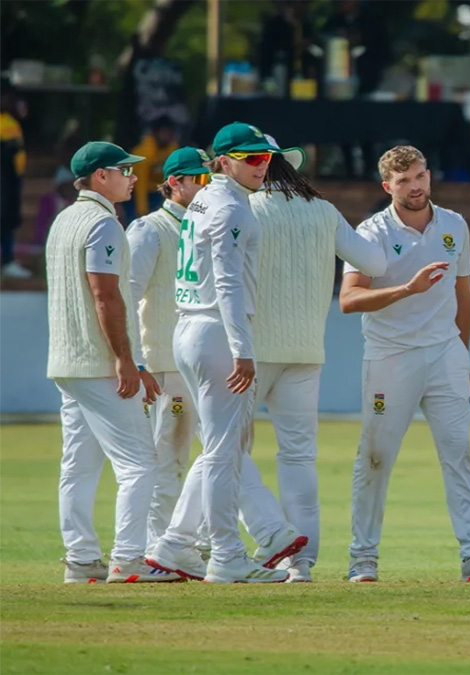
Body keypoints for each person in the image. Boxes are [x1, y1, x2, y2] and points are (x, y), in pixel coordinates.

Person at [340, 145, 470, 583]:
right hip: (390, 355)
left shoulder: (454, 224)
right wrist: (406, 290)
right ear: (388, 187)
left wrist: (462, 355)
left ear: (429, 175)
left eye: (420, 176)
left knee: (459, 454)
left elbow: (463, 294)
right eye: (404, 181)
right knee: (375, 457)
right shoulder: (371, 232)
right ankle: (363, 558)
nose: (415, 187)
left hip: (445, 354)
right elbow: (349, 299)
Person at [148, 122, 306, 584]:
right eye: (251, 158)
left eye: (266, 158)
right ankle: (226, 555)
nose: (263, 166)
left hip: (192, 328)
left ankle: (176, 543)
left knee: (220, 447)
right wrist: (242, 349)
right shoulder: (231, 208)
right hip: (215, 330)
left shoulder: (205, 199)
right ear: (223, 161)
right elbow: (228, 283)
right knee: (222, 452)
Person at [247, 137, 386, 582]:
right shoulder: (322, 210)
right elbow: (375, 261)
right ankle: (301, 562)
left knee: (225, 450)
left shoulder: (244, 208)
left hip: (250, 351)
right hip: (306, 349)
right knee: (299, 456)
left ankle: (257, 536)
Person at [46, 141, 180, 584]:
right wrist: (127, 360)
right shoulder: (102, 223)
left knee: (79, 466)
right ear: (101, 176)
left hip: (68, 362)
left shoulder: (65, 219)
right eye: (125, 170)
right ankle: (128, 560)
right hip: (99, 364)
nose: (134, 177)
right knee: (139, 463)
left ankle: (82, 559)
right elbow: (105, 297)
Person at [126, 147, 211, 551]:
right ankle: (156, 546)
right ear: (175, 182)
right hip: (165, 363)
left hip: (205, 362)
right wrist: (136, 360)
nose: (208, 186)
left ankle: (205, 541)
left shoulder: (209, 225)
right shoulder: (149, 229)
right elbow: (128, 295)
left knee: (221, 453)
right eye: (201, 179)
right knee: (169, 456)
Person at [1, 78, 32, 279]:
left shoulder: (10, 121)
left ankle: (8, 261)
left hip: (11, 179)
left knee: (8, 219)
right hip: (3, 180)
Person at [129, 117, 179, 218]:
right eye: (163, 132)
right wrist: (142, 212)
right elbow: (141, 185)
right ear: (155, 133)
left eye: (168, 132)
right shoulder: (144, 152)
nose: (166, 135)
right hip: (134, 193)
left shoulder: (172, 149)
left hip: (157, 192)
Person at [31, 167, 77, 257]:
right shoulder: (48, 199)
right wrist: (43, 240)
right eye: (67, 186)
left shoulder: (73, 202)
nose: (70, 189)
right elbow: (42, 222)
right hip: (50, 238)